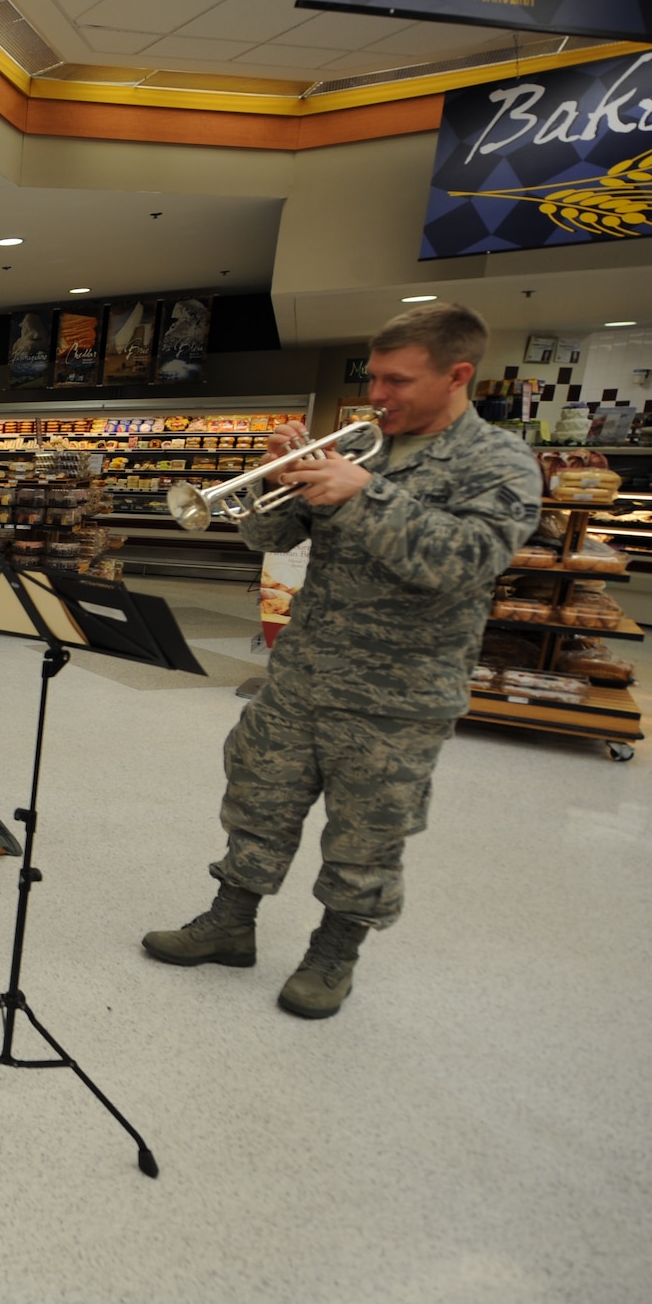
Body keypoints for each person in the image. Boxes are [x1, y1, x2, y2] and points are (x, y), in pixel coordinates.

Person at [143, 302, 541, 1018]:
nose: (377, 394)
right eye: (375, 377)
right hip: (303, 672)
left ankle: (334, 952)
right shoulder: (364, 445)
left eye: (397, 381)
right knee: (258, 800)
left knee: (368, 831)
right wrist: (276, 479)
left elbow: (467, 561)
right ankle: (230, 921)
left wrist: (367, 496)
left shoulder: (499, 461)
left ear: (458, 376)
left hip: (400, 693)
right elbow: (267, 538)